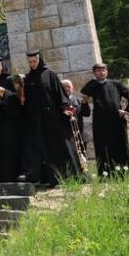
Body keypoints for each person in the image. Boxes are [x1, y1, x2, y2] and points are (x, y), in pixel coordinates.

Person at [23, 50, 83, 186]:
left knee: (61, 147)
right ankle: (53, 179)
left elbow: (60, 95)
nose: (32, 64)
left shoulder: (50, 75)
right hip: (38, 121)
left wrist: (66, 107)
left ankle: (72, 177)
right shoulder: (28, 79)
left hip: (54, 120)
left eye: (34, 61)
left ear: (40, 60)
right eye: (30, 62)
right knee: (45, 150)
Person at [81, 63, 129, 176]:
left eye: (103, 70)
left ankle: (126, 173)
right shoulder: (91, 85)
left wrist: (127, 111)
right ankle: (106, 174)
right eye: (98, 70)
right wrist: (84, 103)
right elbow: (85, 106)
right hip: (100, 122)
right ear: (94, 73)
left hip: (117, 120)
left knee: (121, 145)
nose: (101, 72)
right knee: (102, 147)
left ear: (107, 71)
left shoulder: (116, 84)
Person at [61, 79, 91, 152]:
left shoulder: (78, 100)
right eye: (64, 87)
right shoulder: (57, 102)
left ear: (72, 88)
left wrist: (85, 103)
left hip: (79, 133)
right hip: (65, 135)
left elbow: (86, 114)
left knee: (82, 157)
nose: (66, 88)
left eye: (68, 86)